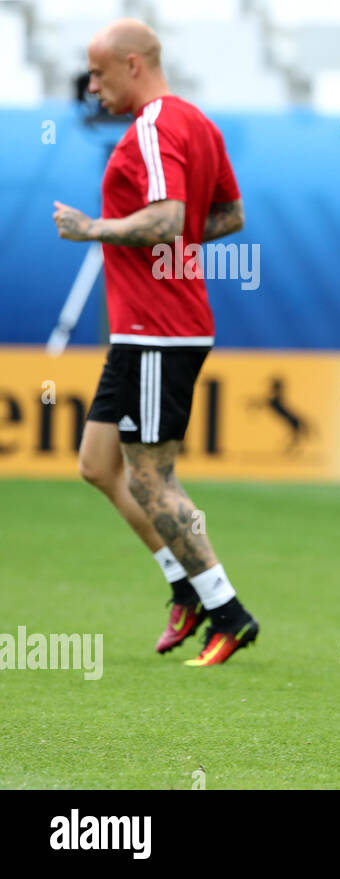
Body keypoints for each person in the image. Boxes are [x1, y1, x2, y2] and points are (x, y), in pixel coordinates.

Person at [53, 18, 259, 667]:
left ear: (134, 64)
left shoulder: (151, 127)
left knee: (152, 477)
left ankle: (227, 609)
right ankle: (185, 584)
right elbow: (228, 216)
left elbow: (169, 220)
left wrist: (94, 229)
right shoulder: (196, 122)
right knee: (97, 463)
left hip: (158, 329)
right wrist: (175, 251)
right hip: (148, 326)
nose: (92, 87)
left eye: (98, 73)